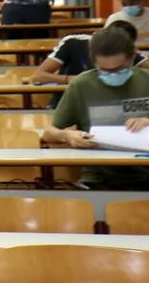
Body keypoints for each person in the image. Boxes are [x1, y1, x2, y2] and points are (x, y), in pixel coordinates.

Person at [42, 25, 149, 189]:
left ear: (132, 57)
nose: (112, 75)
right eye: (104, 71)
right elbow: (49, 133)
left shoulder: (146, 80)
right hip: (98, 178)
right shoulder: (81, 85)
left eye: (120, 69)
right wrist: (67, 136)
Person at [33, 20, 146, 107]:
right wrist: (69, 79)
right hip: (67, 103)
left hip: (109, 109)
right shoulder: (73, 43)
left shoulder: (129, 53)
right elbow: (38, 76)